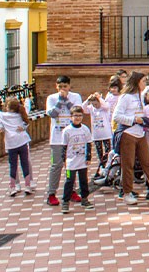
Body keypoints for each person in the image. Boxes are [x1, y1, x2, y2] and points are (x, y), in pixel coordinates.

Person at [45, 75, 82, 206]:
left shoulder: (75, 97)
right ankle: (51, 193)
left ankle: (71, 190)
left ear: (69, 86)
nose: (63, 89)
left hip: (72, 137)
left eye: (65, 86)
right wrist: (60, 101)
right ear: (56, 86)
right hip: (57, 138)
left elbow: (77, 112)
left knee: (71, 165)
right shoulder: (52, 98)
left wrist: (67, 101)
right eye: (60, 87)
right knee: (56, 165)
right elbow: (52, 114)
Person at [0, 96, 33, 196]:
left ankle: (12, 187)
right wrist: (27, 100)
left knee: (13, 165)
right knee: (25, 164)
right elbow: (27, 108)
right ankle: (28, 185)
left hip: (11, 145)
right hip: (22, 142)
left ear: (7, 107)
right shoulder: (21, 114)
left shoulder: (4, 116)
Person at [60, 106, 93, 214]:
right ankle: (65, 202)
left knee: (83, 180)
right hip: (71, 161)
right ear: (71, 117)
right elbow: (64, 146)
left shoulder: (85, 129)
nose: (78, 118)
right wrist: (63, 159)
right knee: (69, 181)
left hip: (82, 160)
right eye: (75, 115)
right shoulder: (67, 131)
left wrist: (88, 157)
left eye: (80, 115)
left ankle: (85, 199)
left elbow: (89, 143)